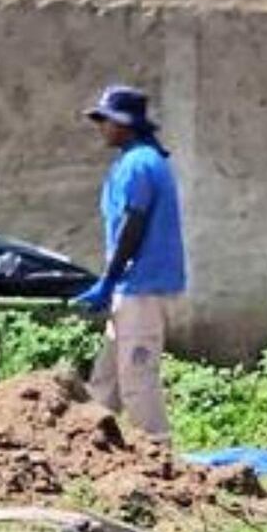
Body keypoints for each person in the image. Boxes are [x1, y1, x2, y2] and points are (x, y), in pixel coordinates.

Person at [73, 85, 187, 444]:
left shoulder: (140, 164)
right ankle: (90, 449)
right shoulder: (137, 161)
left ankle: (158, 456)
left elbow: (132, 226)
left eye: (106, 121)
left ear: (125, 124)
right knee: (105, 381)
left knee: (137, 379)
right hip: (130, 286)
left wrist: (109, 279)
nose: (102, 128)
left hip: (142, 287)